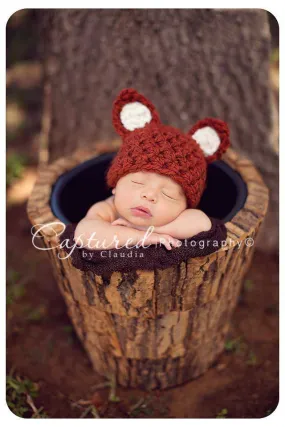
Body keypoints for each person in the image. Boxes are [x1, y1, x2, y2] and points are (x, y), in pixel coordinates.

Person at [74, 88, 230, 250]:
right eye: (137, 182)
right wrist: (140, 236)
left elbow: (202, 224)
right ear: (115, 186)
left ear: (185, 206)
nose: (149, 195)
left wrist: (151, 230)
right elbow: (85, 234)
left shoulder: (178, 217)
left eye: (168, 194)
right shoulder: (108, 208)